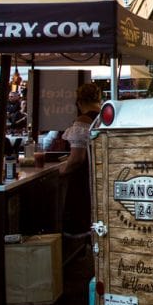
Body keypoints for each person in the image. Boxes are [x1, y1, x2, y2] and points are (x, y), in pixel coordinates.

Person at [61, 82, 102, 234]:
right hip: (102, 176)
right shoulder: (105, 117)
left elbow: (77, 158)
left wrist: (62, 170)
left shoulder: (84, 121)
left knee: (82, 221)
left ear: (79, 102)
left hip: (85, 179)